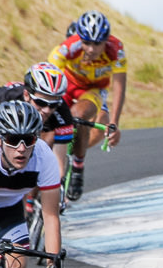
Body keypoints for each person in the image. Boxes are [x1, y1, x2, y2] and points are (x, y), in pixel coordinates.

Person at [0, 101, 65, 268]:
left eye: (28, 140)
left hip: (7, 212)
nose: (21, 148)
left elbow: (51, 216)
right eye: (13, 139)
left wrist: (52, 263)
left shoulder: (44, 158)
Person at [47, 10, 127, 201]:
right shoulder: (67, 48)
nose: (91, 49)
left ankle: (77, 166)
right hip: (66, 87)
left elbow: (119, 88)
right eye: (87, 43)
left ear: (106, 40)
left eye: (97, 43)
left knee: (78, 115)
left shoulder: (116, 50)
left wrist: (114, 123)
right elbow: (48, 80)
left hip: (92, 90)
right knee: (48, 130)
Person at [0, 62, 73, 180]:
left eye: (53, 105)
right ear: (26, 95)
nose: (47, 110)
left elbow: (58, 169)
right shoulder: (6, 98)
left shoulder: (62, 111)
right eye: (41, 102)